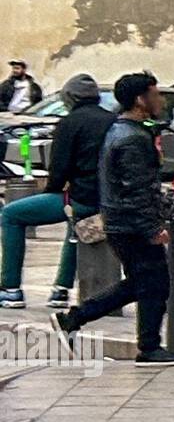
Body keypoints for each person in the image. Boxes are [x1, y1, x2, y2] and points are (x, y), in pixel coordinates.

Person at [50, 72, 174, 366]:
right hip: (130, 224)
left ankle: (76, 319)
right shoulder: (131, 138)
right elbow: (135, 189)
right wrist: (152, 227)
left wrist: (166, 207)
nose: (161, 100)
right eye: (156, 94)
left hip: (121, 222)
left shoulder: (124, 131)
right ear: (141, 100)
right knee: (153, 283)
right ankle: (148, 348)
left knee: (145, 282)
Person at [0, 74, 114, 310]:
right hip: (108, 199)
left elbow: (59, 167)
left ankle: (11, 290)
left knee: (11, 215)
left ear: (70, 98)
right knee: (75, 226)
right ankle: (60, 291)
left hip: (80, 195)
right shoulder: (113, 120)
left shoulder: (69, 123)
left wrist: (54, 188)